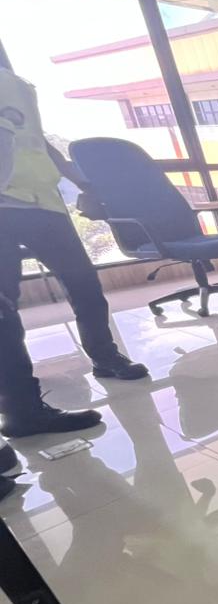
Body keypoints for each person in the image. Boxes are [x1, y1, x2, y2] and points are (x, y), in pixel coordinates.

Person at [0, 63, 147, 438]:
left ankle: (105, 356)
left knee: (85, 285)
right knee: (4, 310)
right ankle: (22, 409)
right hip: (3, 206)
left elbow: (36, 143)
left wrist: (84, 183)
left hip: (44, 205)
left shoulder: (18, 86)